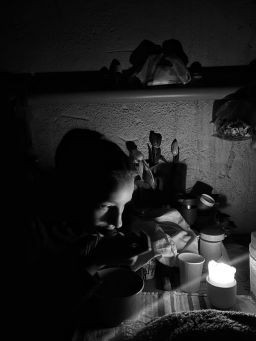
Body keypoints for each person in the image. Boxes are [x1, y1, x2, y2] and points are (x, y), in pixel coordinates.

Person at [21, 128, 149, 341]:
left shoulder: (86, 223)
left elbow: (120, 215)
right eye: (106, 206)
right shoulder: (34, 234)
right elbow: (44, 313)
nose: (116, 221)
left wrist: (133, 226)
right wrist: (98, 260)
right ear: (73, 194)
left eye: (123, 205)